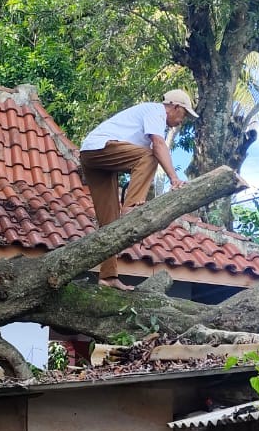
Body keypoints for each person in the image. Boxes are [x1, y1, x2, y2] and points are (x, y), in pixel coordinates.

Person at [78, 89, 198, 290]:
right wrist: (174, 179)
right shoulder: (156, 112)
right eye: (183, 115)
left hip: (92, 156)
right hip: (100, 148)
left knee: (109, 222)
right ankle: (131, 207)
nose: (181, 121)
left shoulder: (154, 116)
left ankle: (108, 277)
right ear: (175, 107)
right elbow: (158, 145)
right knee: (151, 156)